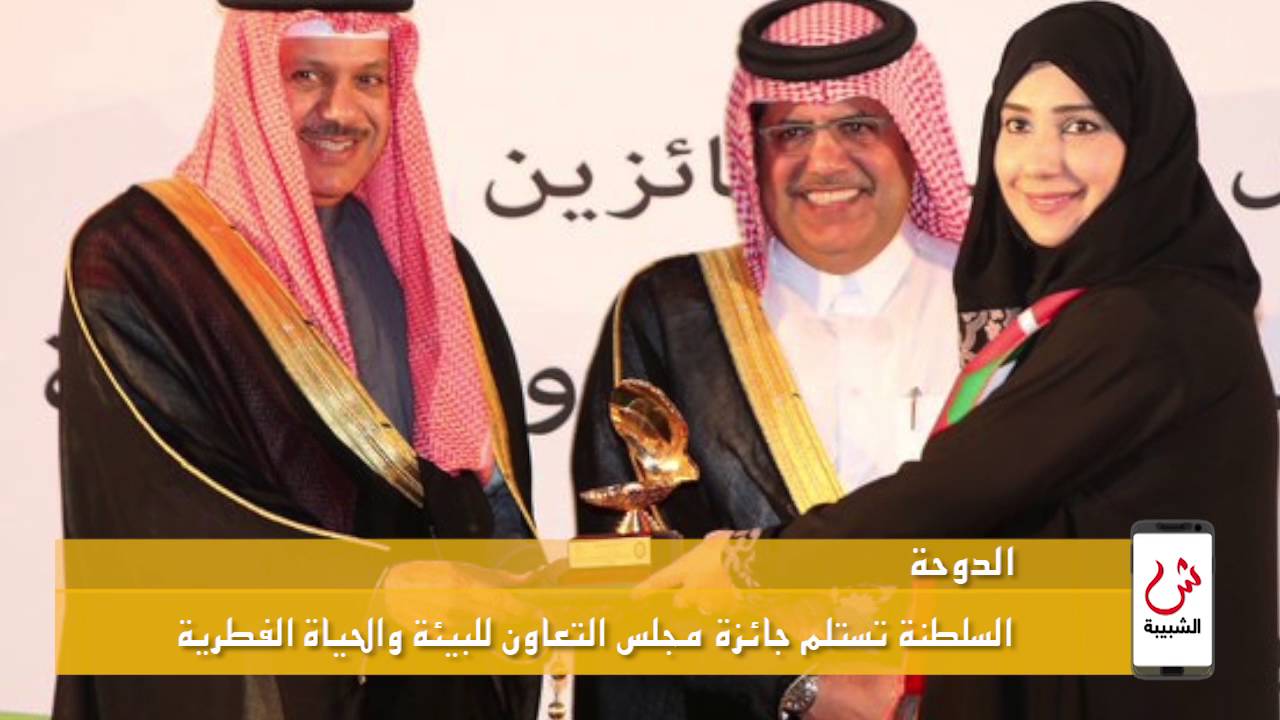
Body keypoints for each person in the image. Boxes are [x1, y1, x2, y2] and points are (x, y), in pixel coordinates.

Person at [639, 3, 1279, 718]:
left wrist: (751, 561)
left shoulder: (1148, 319)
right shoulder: (1096, 307)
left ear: (1148, 140)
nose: (1041, 162)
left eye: (1081, 126)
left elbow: (954, 492)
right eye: (1018, 125)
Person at [55, 1, 536, 717]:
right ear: (249, 79)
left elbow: (481, 495)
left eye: (369, 80)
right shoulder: (138, 259)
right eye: (306, 76)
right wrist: (373, 591)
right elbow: (163, 507)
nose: (340, 112)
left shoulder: (436, 267)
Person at [571, 0, 969, 716]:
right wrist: (799, 686)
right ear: (753, 152)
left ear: (911, 135)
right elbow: (626, 571)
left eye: (857, 125)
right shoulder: (674, 311)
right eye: (790, 132)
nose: (824, 162)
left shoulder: (997, 303)